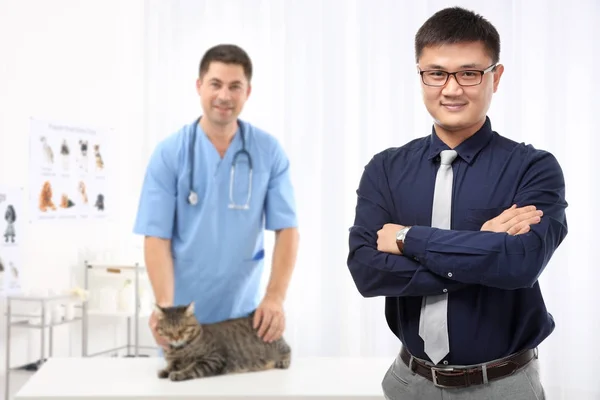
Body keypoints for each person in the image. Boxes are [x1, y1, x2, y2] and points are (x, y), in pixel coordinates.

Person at [347, 7, 567, 400]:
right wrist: (481, 249)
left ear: (495, 77)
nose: (451, 89)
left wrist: (408, 239)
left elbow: (520, 264)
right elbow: (367, 272)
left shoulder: (533, 168)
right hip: (408, 383)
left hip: (503, 386)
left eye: (469, 73)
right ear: (420, 74)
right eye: (436, 73)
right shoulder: (385, 169)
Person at [134, 44, 300, 349]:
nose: (224, 95)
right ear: (199, 86)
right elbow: (155, 236)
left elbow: (287, 228)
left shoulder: (268, 152)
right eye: (215, 84)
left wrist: (275, 298)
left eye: (235, 86)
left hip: (244, 319)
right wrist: (165, 306)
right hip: (184, 321)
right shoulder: (170, 153)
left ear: (247, 92)